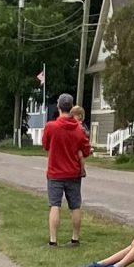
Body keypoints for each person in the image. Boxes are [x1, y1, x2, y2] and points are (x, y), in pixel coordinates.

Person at [40, 93, 91, 247]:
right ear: (71, 107)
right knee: (75, 206)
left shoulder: (51, 126)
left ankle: (53, 240)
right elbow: (86, 151)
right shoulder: (79, 129)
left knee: (55, 205)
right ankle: (75, 238)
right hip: (73, 173)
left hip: (55, 172)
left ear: (59, 107)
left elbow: (45, 145)